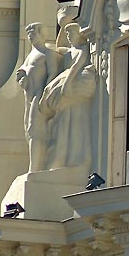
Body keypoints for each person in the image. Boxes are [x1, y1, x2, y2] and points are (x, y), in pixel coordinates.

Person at [39, 23, 97, 171]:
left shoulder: (83, 49)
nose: (70, 37)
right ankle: (62, 159)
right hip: (67, 96)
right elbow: (62, 60)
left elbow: (76, 67)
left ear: (79, 34)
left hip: (74, 93)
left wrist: (66, 83)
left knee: (77, 126)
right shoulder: (68, 53)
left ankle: (77, 160)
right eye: (68, 34)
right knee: (63, 126)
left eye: (72, 33)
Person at [16, 23, 60, 171]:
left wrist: (45, 95)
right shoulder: (31, 55)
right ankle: (35, 166)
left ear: (42, 34)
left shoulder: (48, 53)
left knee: (36, 131)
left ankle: (35, 168)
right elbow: (21, 71)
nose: (30, 36)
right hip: (30, 97)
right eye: (29, 33)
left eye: (33, 33)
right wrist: (22, 78)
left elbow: (53, 74)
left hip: (40, 96)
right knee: (29, 130)